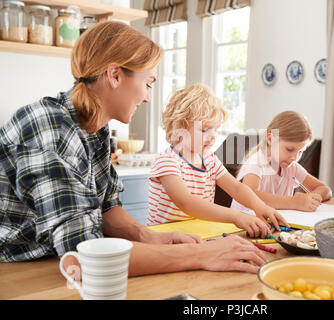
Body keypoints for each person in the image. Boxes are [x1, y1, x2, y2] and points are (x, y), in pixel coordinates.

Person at [0, 21, 268, 275]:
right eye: (148, 83)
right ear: (115, 75)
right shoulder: (47, 127)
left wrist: (149, 237)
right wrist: (202, 255)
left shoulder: (94, 128)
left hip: (51, 262)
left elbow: (107, 208)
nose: (148, 97)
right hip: (15, 270)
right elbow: (85, 255)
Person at [147, 84, 289, 238]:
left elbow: (235, 188)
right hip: (164, 238)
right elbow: (186, 202)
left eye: (216, 129)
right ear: (179, 127)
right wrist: (236, 216)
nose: (213, 135)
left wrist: (260, 206)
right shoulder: (167, 161)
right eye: (204, 129)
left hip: (197, 233)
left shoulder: (209, 160)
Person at [231, 111, 332, 214]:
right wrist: (294, 202)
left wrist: (310, 199)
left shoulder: (291, 167)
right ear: (270, 139)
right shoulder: (255, 163)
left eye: (300, 152)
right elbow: (250, 195)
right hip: (242, 227)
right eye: (289, 149)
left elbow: (325, 189)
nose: (295, 158)